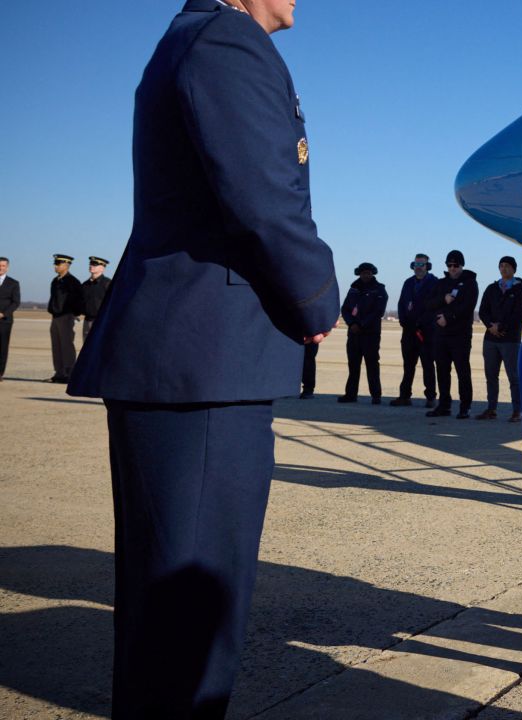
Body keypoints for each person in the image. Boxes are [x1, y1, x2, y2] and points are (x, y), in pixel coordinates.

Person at [66, 0, 339, 716]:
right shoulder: (229, 40)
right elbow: (265, 196)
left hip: (192, 360)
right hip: (204, 362)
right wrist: (316, 298)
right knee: (190, 615)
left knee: (170, 614)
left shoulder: (195, 37)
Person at [423, 249, 478, 419]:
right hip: (441, 335)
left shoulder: (470, 283)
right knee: (442, 370)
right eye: (450, 265)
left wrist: (448, 317)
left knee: (462, 371)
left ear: (462, 265)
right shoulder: (441, 284)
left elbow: (467, 307)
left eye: (456, 265)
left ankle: (465, 406)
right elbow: (429, 304)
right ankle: (444, 405)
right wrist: (442, 300)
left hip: (460, 335)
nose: (453, 268)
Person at [476, 255, 522, 421]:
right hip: (491, 339)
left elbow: (519, 315)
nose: (504, 268)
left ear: (513, 269)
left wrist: (502, 327)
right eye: (501, 265)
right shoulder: (492, 288)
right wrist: (491, 326)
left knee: (514, 377)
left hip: (510, 339)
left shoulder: (520, 290)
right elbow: (483, 310)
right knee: (491, 375)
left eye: (507, 266)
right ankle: (491, 409)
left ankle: (517, 411)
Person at [390, 253, 439, 407]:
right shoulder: (408, 283)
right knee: (408, 365)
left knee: (428, 365)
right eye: (415, 265)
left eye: (421, 265)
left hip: (426, 333)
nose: (418, 268)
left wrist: (421, 323)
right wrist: (405, 322)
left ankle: (431, 397)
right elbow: (401, 304)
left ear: (428, 266)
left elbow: (434, 307)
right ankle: (404, 396)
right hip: (409, 332)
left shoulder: (434, 283)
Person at [338, 262, 388, 404]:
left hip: (370, 334)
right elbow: (345, 309)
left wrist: (361, 324)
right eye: (363, 272)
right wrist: (351, 323)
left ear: (373, 273)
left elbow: (378, 311)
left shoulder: (379, 290)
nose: (366, 275)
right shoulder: (353, 289)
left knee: (372, 365)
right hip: (353, 334)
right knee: (353, 365)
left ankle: (376, 395)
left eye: (368, 273)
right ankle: (351, 394)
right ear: (359, 273)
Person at [48, 253, 83, 383]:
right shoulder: (55, 281)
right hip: (55, 317)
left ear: (66, 265)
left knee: (66, 345)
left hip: (66, 317)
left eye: (58, 264)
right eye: (55, 263)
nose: (55, 266)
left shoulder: (72, 282)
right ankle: (59, 373)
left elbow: (79, 300)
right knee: (56, 345)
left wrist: (74, 314)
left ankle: (69, 373)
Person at [82, 256, 112, 340]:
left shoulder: (108, 283)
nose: (91, 266)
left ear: (102, 268)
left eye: (95, 264)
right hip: (87, 320)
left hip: (101, 321)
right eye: (91, 264)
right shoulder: (85, 285)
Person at [0, 257, 18, 382]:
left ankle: (0, 372)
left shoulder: (13, 283)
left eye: (3, 266)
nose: (1, 268)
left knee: (2, 347)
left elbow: (16, 302)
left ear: (7, 267)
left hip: (4, 321)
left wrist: (3, 313)